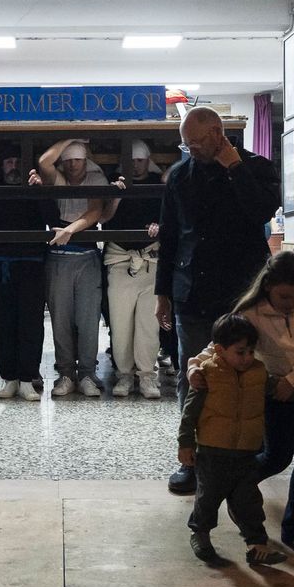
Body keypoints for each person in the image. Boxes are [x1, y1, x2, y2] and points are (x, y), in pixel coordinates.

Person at [155, 107, 281, 495]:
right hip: (192, 290)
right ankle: (190, 461)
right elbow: (171, 239)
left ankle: (247, 461)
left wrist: (234, 167)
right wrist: (163, 294)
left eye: (195, 143)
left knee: (249, 375)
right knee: (192, 377)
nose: (190, 150)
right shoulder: (179, 176)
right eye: (185, 144)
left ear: (217, 134)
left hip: (243, 293)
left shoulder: (257, 168)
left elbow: (261, 211)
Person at [190, 251, 294, 558]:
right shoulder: (251, 312)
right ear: (268, 286)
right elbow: (221, 345)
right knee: (278, 456)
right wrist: (195, 366)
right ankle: (237, 489)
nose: (291, 303)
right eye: (283, 296)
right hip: (270, 392)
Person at [177, 314, 288, 568]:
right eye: (240, 352)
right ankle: (200, 534)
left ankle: (256, 545)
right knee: (208, 498)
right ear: (219, 350)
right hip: (212, 453)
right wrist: (185, 444)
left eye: (251, 351)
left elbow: (277, 388)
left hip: (245, 454)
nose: (248, 357)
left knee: (249, 502)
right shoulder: (206, 373)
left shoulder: (258, 374)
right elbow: (190, 412)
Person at [0, 141, 60, 401]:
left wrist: (40, 191)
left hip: (32, 263)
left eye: (18, 162)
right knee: (5, 323)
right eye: (9, 162)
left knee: (31, 323)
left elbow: (53, 218)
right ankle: (10, 379)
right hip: (0, 263)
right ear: (1, 165)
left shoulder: (33, 187)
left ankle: (28, 379)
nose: (13, 167)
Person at [36, 139, 110, 397]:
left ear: (85, 160)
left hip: (87, 256)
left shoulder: (95, 178)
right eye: (67, 161)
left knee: (89, 320)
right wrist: (71, 136)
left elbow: (94, 212)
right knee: (61, 320)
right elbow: (44, 161)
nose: (72, 165)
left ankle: (88, 373)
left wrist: (70, 229)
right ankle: (66, 373)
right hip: (58, 258)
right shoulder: (59, 179)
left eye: (77, 160)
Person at [103, 139, 164, 399]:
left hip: (151, 260)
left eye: (140, 161)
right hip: (120, 260)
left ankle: (148, 375)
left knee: (149, 325)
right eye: (132, 161)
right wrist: (116, 196)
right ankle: (124, 375)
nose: (136, 166)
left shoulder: (157, 186)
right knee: (120, 324)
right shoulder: (114, 183)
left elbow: (167, 217)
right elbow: (103, 219)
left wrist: (157, 226)